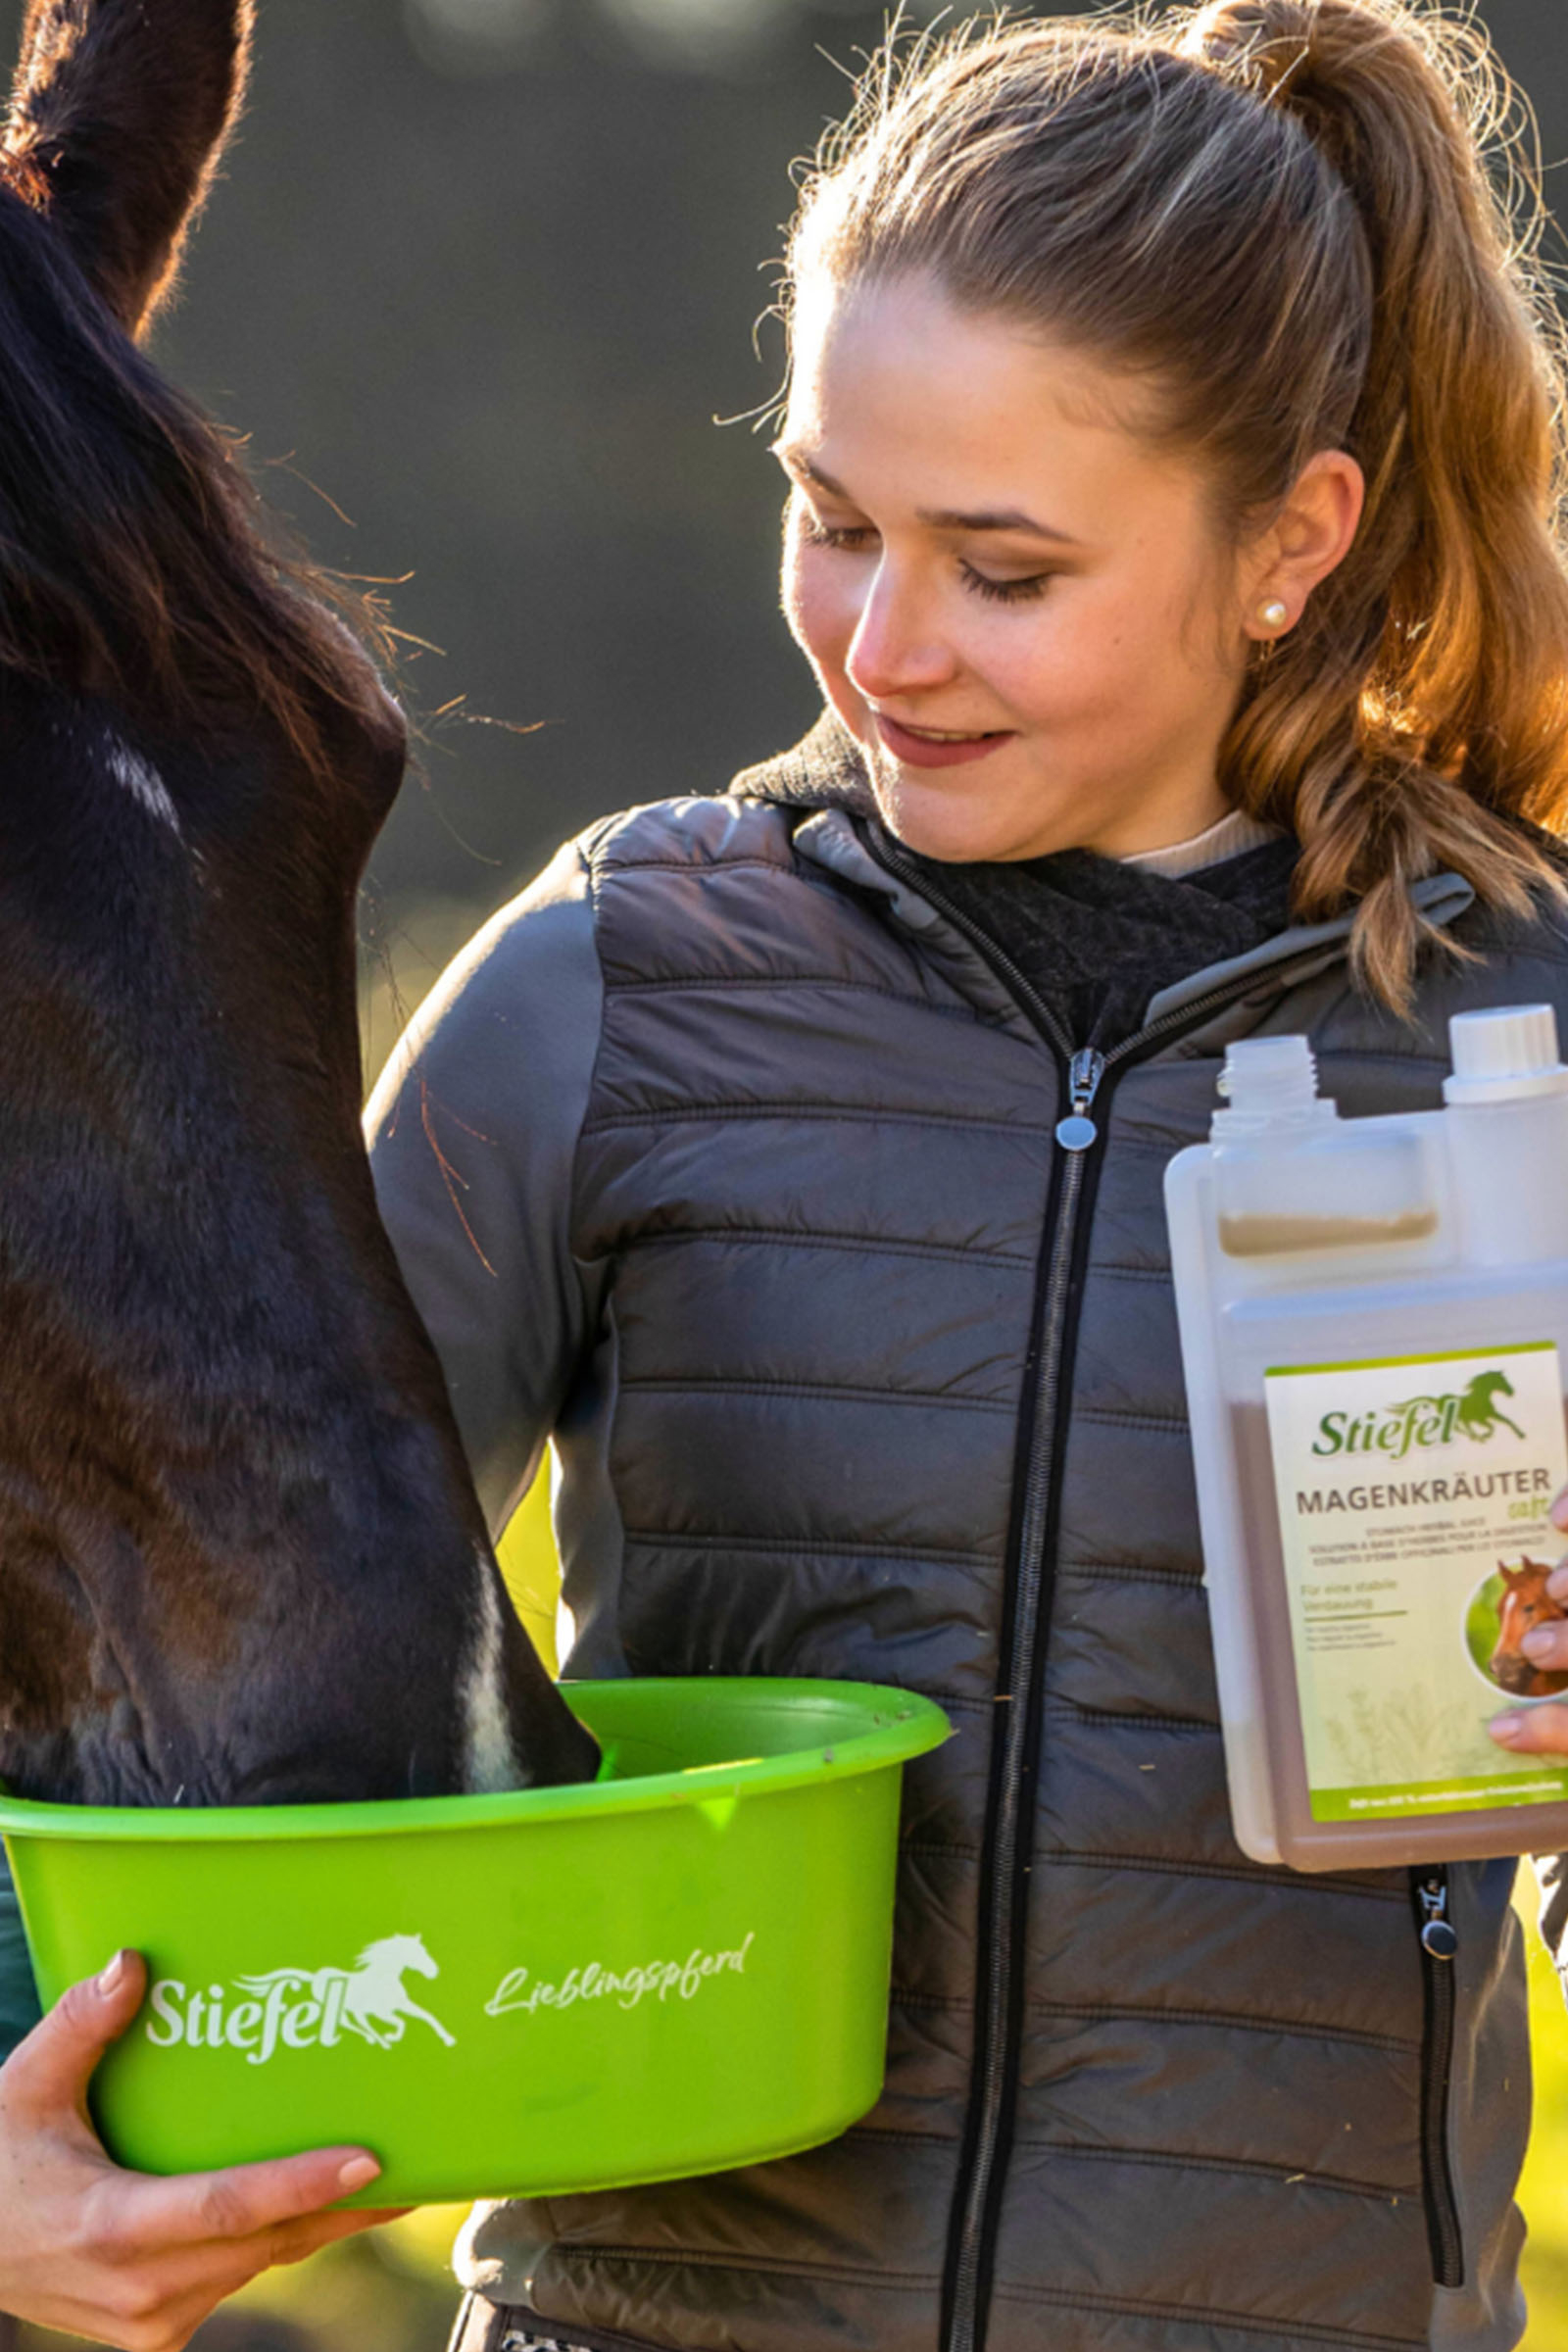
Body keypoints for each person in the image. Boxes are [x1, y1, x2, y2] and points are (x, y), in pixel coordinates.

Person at [7, 0, 1568, 2346]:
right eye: (831, 522)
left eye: (1003, 571)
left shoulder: (1517, 1044)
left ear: (1288, 543)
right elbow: (156, 1594)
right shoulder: (607, 993)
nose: (884, 647)